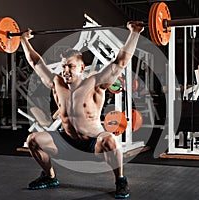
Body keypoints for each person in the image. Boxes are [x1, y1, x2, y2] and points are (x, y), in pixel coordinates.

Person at [20, 21, 144, 199]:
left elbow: (121, 62)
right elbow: (35, 63)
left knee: (110, 140)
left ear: (81, 68)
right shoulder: (57, 84)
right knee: (32, 140)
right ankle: (49, 176)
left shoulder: (95, 83)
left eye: (70, 66)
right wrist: (24, 40)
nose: (65, 70)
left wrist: (135, 33)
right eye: (63, 66)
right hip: (67, 142)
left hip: (93, 143)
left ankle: (120, 180)